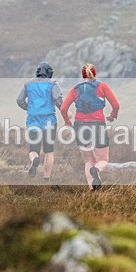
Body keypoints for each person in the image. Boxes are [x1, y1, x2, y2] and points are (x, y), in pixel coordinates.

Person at [60, 63, 119, 191]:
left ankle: (92, 190)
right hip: (97, 125)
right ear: (94, 73)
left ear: (82, 75)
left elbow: (64, 108)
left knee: (88, 161)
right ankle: (96, 170)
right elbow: (116, 105)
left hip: (80, 126)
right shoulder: (102, 86)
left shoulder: (75, 89)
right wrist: (113, 116)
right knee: (103, 160)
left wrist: (67, 122)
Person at [17, 62, 63, 181]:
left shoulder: (28, 84)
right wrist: (65, 111)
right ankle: (46, 178)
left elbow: (19, 100)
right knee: (49, 151)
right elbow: (58, 99)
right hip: (49, 121)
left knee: (33, 149)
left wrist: (29, 108)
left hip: (33, 120)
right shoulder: (53, 84)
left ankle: (34, 160)